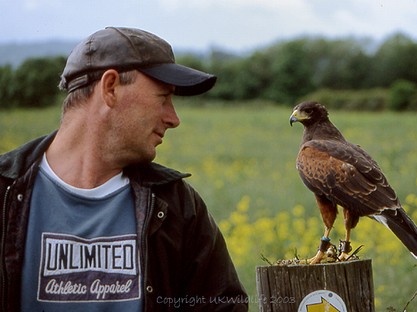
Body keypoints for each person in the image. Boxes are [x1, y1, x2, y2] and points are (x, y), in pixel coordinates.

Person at [0, 27, 248, 311]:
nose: (173, 118)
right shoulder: (4, 193)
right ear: (111, 88)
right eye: (163, 97)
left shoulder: (178, 207)